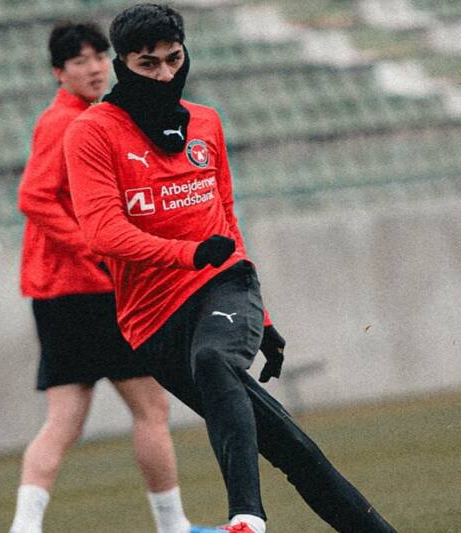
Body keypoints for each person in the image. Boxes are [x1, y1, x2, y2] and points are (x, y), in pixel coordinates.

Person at [64, 4, 397, 533]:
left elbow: (226, 219)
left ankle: (246, 519)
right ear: (122, 64)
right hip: (152, 323)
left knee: (215, 357)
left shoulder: (206, 122)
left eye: (175, 59)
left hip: (223, 284)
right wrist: (189, 253)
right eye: (149, 64)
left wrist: (260, 317)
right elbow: (103, 233)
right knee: (292, 448)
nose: (166, 75)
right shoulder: (91, 132)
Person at [10, 21, 194, 533]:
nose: (93, 68)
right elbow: (33, 197)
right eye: (79, 61)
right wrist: (97, 249)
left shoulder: (88, 118)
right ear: (59, 72)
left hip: (60, 294)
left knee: (65, 421)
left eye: (98, 57)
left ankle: (25, 526)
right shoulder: (64, 122)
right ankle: (173, 526)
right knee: (151, 407)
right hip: (90, 291)